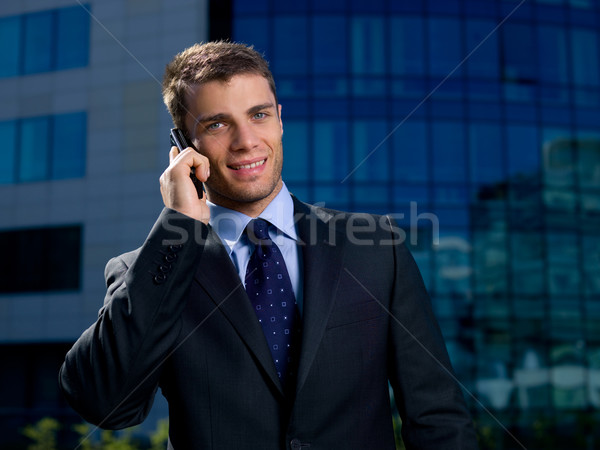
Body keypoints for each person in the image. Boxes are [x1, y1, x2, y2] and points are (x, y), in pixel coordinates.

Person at [59, 41, 478, 449]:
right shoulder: (152, 268)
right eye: (217, 124)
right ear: (184, 145)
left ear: (279, 119)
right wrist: (178, 227)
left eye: (258, 115)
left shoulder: (377, 249)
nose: (246, 141)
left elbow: (437, 416)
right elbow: (106, 405)